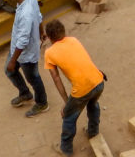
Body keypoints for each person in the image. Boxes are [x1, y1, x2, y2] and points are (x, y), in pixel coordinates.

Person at [44, 19, 105, 156]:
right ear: (64, 31)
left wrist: (66, 102)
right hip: (99, 81)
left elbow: (56, 78)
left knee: (68, 116)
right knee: (93, 104)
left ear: (48, 37)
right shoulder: (73, 40)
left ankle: (65, 149)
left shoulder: (49, 53)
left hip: (82, 90)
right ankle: (93, 132)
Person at [4, 0, 48, 117]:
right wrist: (41, 31)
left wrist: (13, 61)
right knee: (9, 71)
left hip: (26, 54)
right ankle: (25, 93)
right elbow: (39, 17)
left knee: (34, 78)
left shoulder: (25, 15)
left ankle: (42, 103)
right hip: (17, 50)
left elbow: (23, 40)